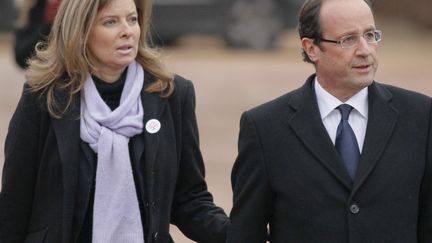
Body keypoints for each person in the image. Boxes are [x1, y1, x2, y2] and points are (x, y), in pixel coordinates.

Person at [0, 0, 228, 242]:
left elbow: (189, 200)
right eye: (111, 22)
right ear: (81, 31)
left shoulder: (171, 95)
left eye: (132, 19)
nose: (127, 31)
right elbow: (14, 206)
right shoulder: (43, 97)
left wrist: (244, 232)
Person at [227, 0, 432, 242]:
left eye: (370, 35)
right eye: (348, 39)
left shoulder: (420, 116)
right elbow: (246, 233)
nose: (365, 50)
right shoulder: (264, 128)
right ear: (311, 48)